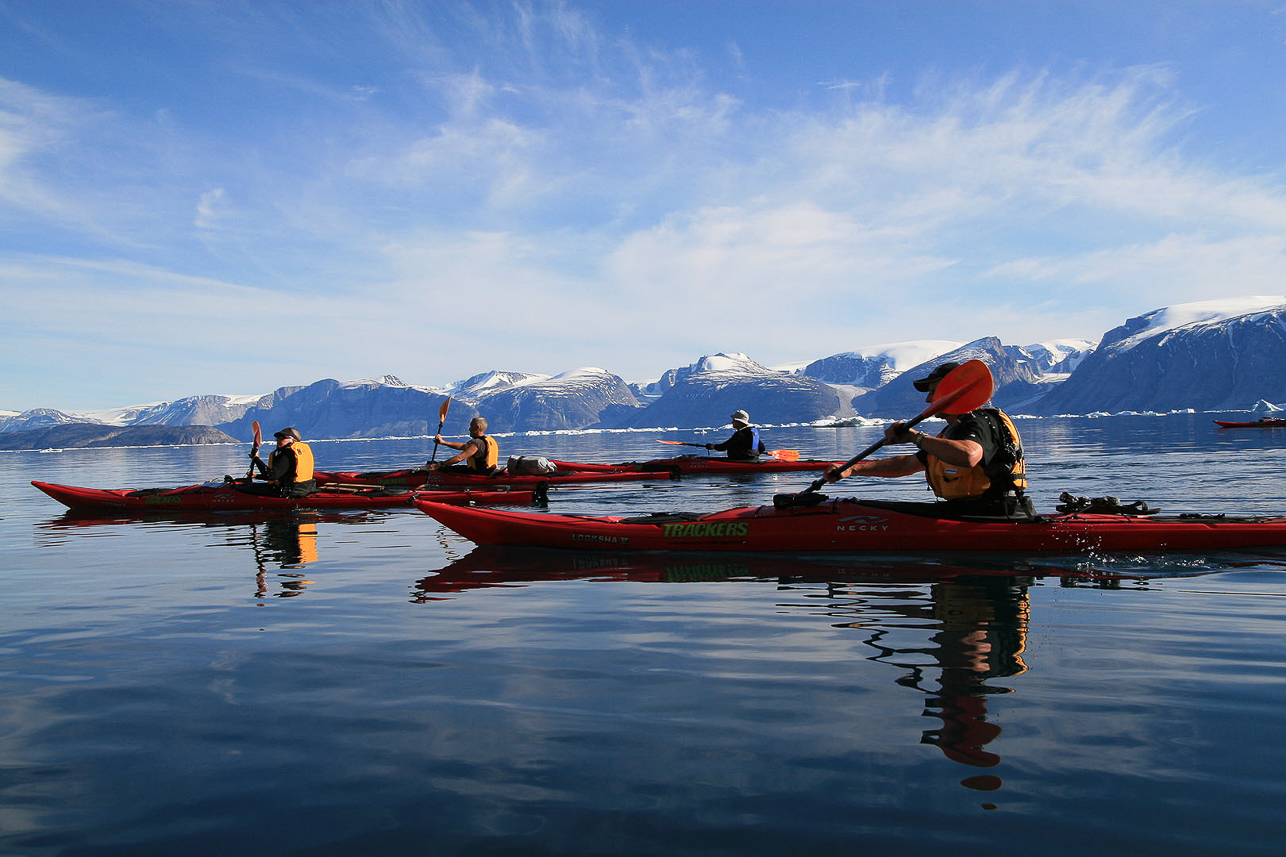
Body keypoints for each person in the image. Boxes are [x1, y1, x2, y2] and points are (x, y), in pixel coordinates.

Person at [823, 362, 1030, 517]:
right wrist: (853, 469)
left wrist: (915, 437)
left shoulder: (979, 421)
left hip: (994, 515)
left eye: (933, 392)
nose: (928, 400)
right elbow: (906, 464)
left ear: (952, 393)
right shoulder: (951, 432)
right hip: (965, 512)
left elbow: (969, 455)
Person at [245, 426, 317, 497]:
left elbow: (271, 475)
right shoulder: (299, 451)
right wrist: (256, 476)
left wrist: (256, 459)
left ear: (293, 440)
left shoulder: (287, 454)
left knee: (243, 488)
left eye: (283, 437)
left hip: (289, 492)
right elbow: (281, 475)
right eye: (278, 438)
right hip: (304, 489)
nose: (279, 440)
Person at [423, 417, 499, 475]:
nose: (469, 429)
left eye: (471, 426)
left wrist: (439, 465)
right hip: (488, 471)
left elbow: (460, 458)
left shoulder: (477, 443)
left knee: (444, 468)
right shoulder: (488, 440)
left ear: (477, 428)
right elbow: (463, 446)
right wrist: (443, 442)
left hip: (479, 474)